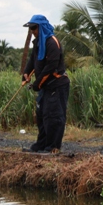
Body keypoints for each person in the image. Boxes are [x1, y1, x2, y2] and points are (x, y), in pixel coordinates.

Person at [21, 14, 70, 153]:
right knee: (41, 115)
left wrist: (37, 83)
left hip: (57, 84)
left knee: (53, 116)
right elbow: (32, 60)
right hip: (45, 86)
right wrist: (26, 74)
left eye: (34, 28)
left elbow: (51, 66)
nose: (32, 31)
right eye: (30, 28)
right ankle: (41, 145)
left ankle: (52, 147)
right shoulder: (38, 42)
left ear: (41, 27)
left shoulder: (52, 42)